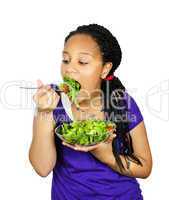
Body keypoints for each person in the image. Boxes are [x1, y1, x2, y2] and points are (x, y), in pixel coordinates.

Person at [29, 24, 153, 200]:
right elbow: (42, 168)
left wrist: (106, 154)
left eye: (82, 62)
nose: (69, 69)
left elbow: (145, 167)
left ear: (105, 69)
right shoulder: (52, 101)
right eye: (66, 60)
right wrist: (43, 113)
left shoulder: (122, 103)